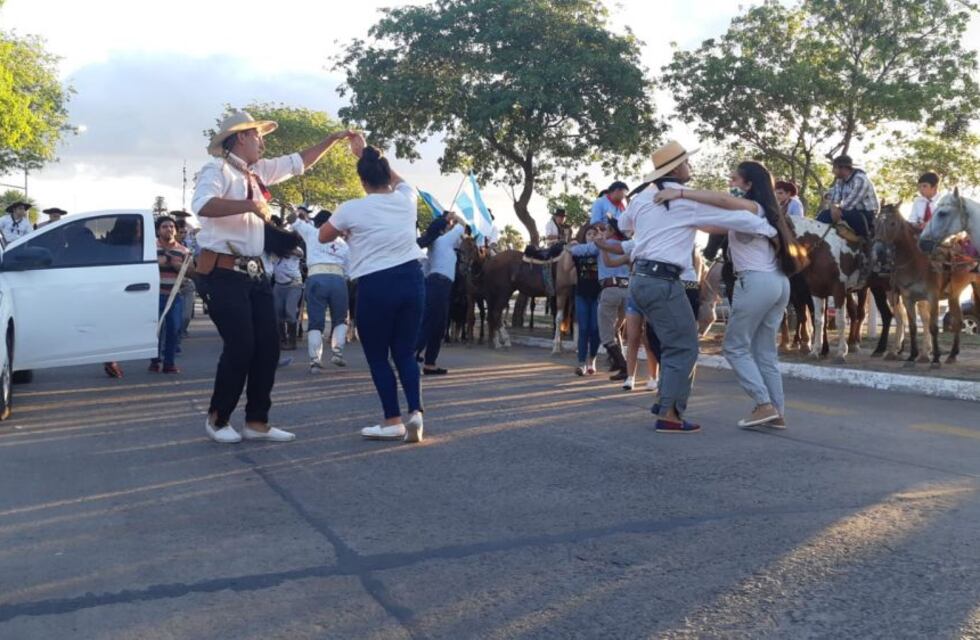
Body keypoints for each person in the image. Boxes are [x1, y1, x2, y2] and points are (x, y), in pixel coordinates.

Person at [191, 109, 355, 444]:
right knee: (241, 346)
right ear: (241, 137)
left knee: (267, 348)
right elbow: (203, 204)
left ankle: (256, 421)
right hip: (223, 272)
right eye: (257, 136)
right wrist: (250, 207)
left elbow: (299, 162)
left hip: (255, 273)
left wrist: (332, 140)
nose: (262, 142)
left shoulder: (259, 172)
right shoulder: (216, 170)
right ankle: (218, 418)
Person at [620, 140, 777, 434]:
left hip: (639, 280)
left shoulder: (642, 198)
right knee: (685, 346)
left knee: (670, 343)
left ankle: (664, 401)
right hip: (663, 281)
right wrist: (769, 227)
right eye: (688, 163)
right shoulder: (683, 203)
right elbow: (732, 218)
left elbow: (623, 222)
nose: (690, 167)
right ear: (677, 169)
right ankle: (669, 415)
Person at [657, 161, 795, 428]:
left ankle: (763, 403)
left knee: (734, 347)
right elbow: (711, 224)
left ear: (749, 184)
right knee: (765, 352)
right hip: (778, 283)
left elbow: (718, 201)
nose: (730, 184)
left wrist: (680, 193)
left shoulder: (754, 207)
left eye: (735, 179)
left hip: (756, 282)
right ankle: (777, 412)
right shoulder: (769, 211)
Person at [318, 135, 427, 444]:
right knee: (404, 352)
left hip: (375, 284)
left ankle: (392, 420)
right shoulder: (406, 198)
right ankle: (416, 412)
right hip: (412, 279)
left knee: (378, 356)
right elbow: (399, 179)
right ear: (386, 174)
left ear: (362, 180)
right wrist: (365, 152)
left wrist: (347, 230)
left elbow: (323, 236)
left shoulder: (351, 209)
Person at [567, 220, 630, 380]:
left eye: (606, 229)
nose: (603, 231)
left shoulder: (602, 244)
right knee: (621, 329)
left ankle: (622, 365)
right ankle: (620, 364)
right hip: (628, 290)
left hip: (610, 289)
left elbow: (579, 251)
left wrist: (568, 246)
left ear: (612, 231)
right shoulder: (628, 245)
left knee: (605, 334)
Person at [293, 209, 350, 371]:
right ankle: (337, 353)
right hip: (338, 280)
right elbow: (349, 269)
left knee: (315, 321)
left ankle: (315, 361)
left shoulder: (312, 232)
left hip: (316, 277)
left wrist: (295, 214)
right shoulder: (343, 243)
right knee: (340, 319)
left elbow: (294, 221)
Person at [603, 241, 659, 392]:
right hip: (634, 298)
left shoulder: (656, 250)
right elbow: (609, 263)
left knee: (649, 340)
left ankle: (653, 377)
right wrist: (602, 245)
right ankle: (630, 377)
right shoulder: (633, 252)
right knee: (632, 337)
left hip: (650, 299)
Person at [416, 212, 465, 375]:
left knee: (437, 324)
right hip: (440, 284)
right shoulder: (445, 240)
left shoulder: (433, 244)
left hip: (435, 283)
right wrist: (453, 218)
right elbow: (462, 226)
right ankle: (410, 353)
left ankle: (429, 363)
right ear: (444, 229)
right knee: (432, 323)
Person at [149, 216, 191, 374]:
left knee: (174, 328)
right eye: (165, 226)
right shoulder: (150, 248)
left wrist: (177, 265)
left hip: (174, 295)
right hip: (154, 295)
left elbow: (191, 271)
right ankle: (154, 360)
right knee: (156, 329)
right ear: (158, 230)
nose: (169, 229)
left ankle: (169, 363)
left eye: (172, 226)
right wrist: (158, 262)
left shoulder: (183, 250)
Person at [816, 155, 879, 239]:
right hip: (849, 211)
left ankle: (864, 239)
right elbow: (835, 198)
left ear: (843, 168)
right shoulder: (840, 181)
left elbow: (849, 205)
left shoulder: (860, 179)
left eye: (835, 168)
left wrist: (835, 208)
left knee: (843, 214)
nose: (833, 171)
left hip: (866, 214)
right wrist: (832, 206)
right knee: (824, 215)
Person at [570, 224, 601, 376]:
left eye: (594, 234)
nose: (591, 236)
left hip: (598, 295)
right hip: (581, 294)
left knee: (595, 329)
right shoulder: (578, 253)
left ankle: (592, 359)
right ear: (584, 236)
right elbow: (568, 253)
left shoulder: (601, 252)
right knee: (583, 329)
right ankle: (581, 363)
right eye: (588, 234)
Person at [273, 246, 304, 351]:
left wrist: (285, 249)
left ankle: (292, 341)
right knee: (278, 312)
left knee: (290, 312)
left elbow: (300, 254)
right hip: (278, 284)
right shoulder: (274, 247)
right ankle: (282, 340)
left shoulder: (296, 248)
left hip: (293, 284)